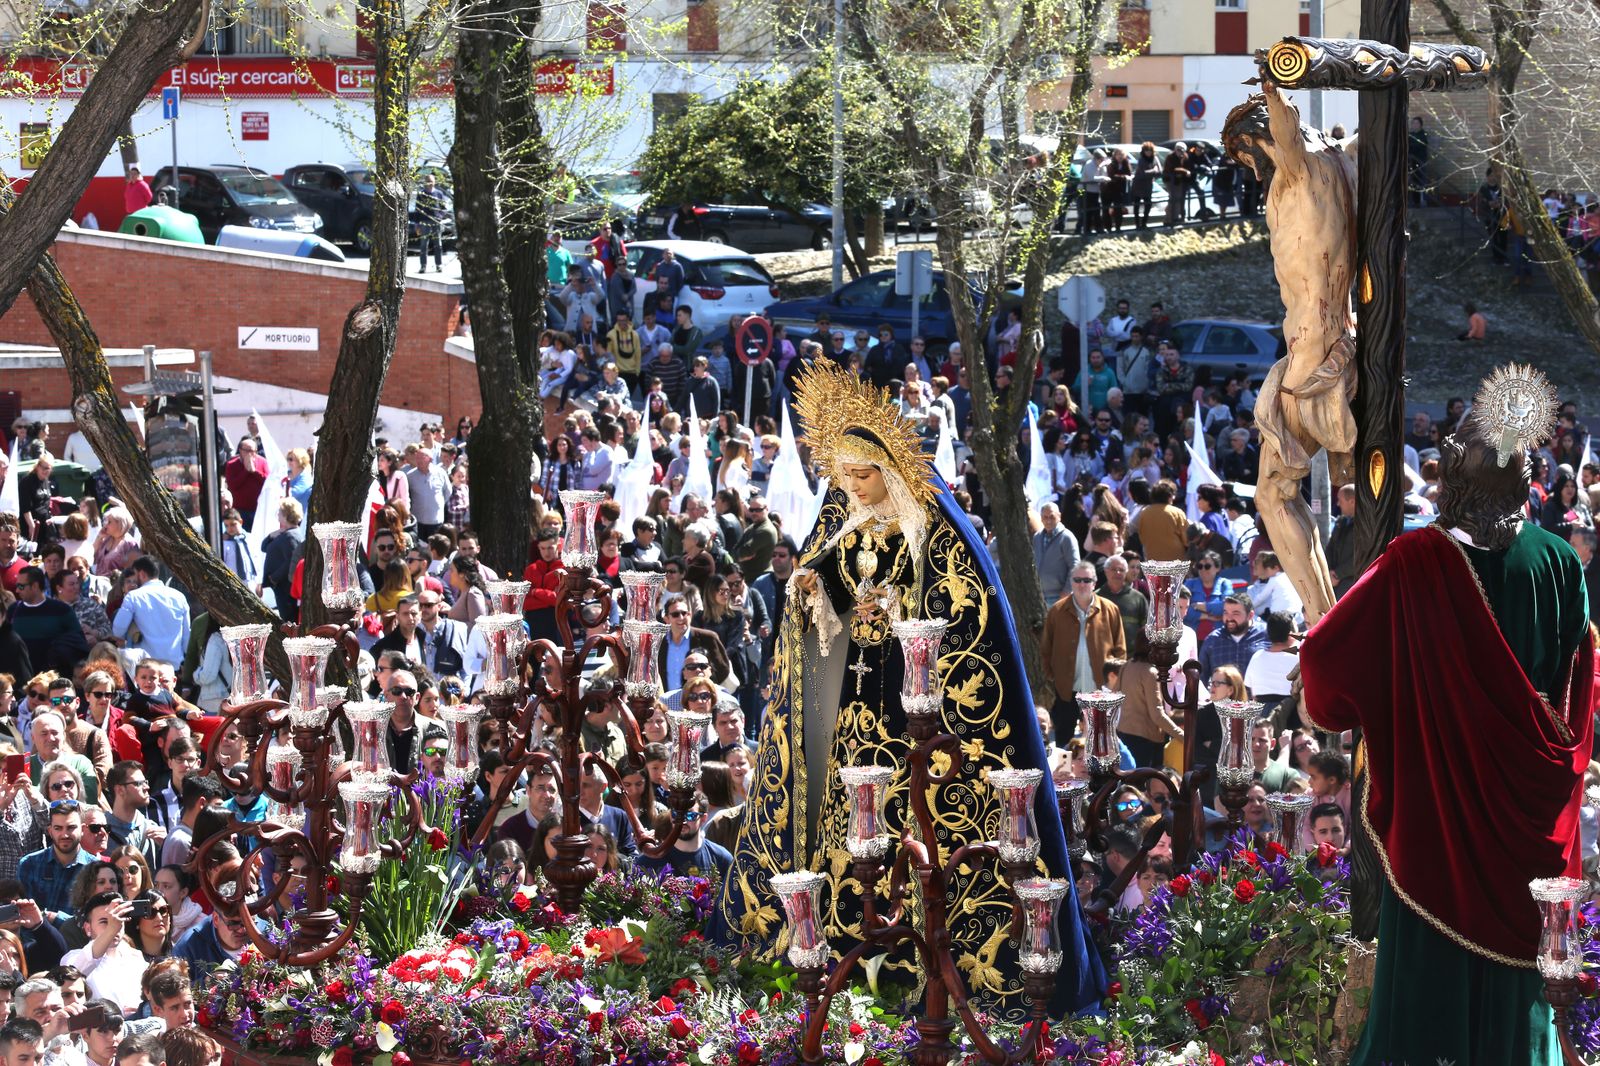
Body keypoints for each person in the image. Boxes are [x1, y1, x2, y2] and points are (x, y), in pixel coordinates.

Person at [715, 363, 1105, 1017]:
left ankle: (930, 972)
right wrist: (813, 601)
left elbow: (971, 632)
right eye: (844, 476)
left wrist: (899, 624)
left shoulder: (940, 538)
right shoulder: (840, 529)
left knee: (921, 863)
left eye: (864, 475)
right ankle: (823, 955)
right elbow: (815, 629)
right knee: (839, 861)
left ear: (893, 469)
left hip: (916, 744)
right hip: (842, 745)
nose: (853, 488)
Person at [1301, 374, 1591, 1066]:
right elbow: (1578, 686)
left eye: (1457, 440)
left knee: (1425, 991)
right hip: (1526, 824)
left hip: (1436, 816)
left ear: (1460, 477)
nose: (1448, 439)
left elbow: (1324, 667)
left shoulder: (1413, 562)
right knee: (1518, 995)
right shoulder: (1557, 562)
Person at [110, 560, 189, 665]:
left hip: (145, 669)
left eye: (135, 574)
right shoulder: (179, 596)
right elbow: (187, 635)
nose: (134, 580)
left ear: (142, 574)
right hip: (173, 666)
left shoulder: (133, 597)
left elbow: (118, 630)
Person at [415, 174, 448, 273]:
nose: (429, 183)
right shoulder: (421, 194)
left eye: (431, 181)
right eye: (428, 181)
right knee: (423, 245)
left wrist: (439, 217)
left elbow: (444, 209)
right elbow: (417, 210)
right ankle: (423, 266)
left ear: (434, 182)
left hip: (436, 222)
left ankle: (439, 265)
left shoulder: (439, 194)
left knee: (438, 244)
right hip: (424, 222)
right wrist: (417, 224)